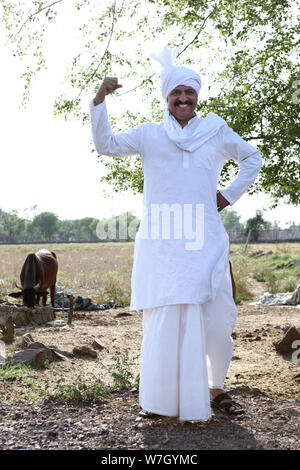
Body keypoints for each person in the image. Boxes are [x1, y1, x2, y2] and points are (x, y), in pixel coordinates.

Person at [89, 46, 262, 421]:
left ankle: (215, 387)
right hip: (162, 244)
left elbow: (252, 158)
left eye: (190, 92)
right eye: (176, 93)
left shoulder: (215, 130)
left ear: (197, 96)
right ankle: (161, 400)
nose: (183, 99)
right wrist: (100, 100)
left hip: (205, 241)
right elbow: (106, 146)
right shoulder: (149, 135)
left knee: (216, 317)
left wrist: (228, 195)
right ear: (166, 97)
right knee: (166, 316)